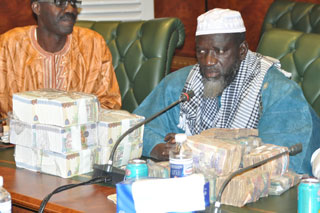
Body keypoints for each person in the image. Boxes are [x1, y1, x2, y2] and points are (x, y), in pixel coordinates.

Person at [134, 8, 320, 175]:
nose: (208, 61)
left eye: (219, 51)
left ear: (242, 51)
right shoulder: (182, 85)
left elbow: (276, 164)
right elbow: (138, 127)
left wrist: (193, 148)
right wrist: (157, 147)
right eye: (201, 52)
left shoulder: (277, 91)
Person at [0, 0, 121, 118]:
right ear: (37, 7)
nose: (70, 9)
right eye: (59, 2)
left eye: (73, 3)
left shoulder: (93, 45)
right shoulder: (9, 45)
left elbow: (110, 103)